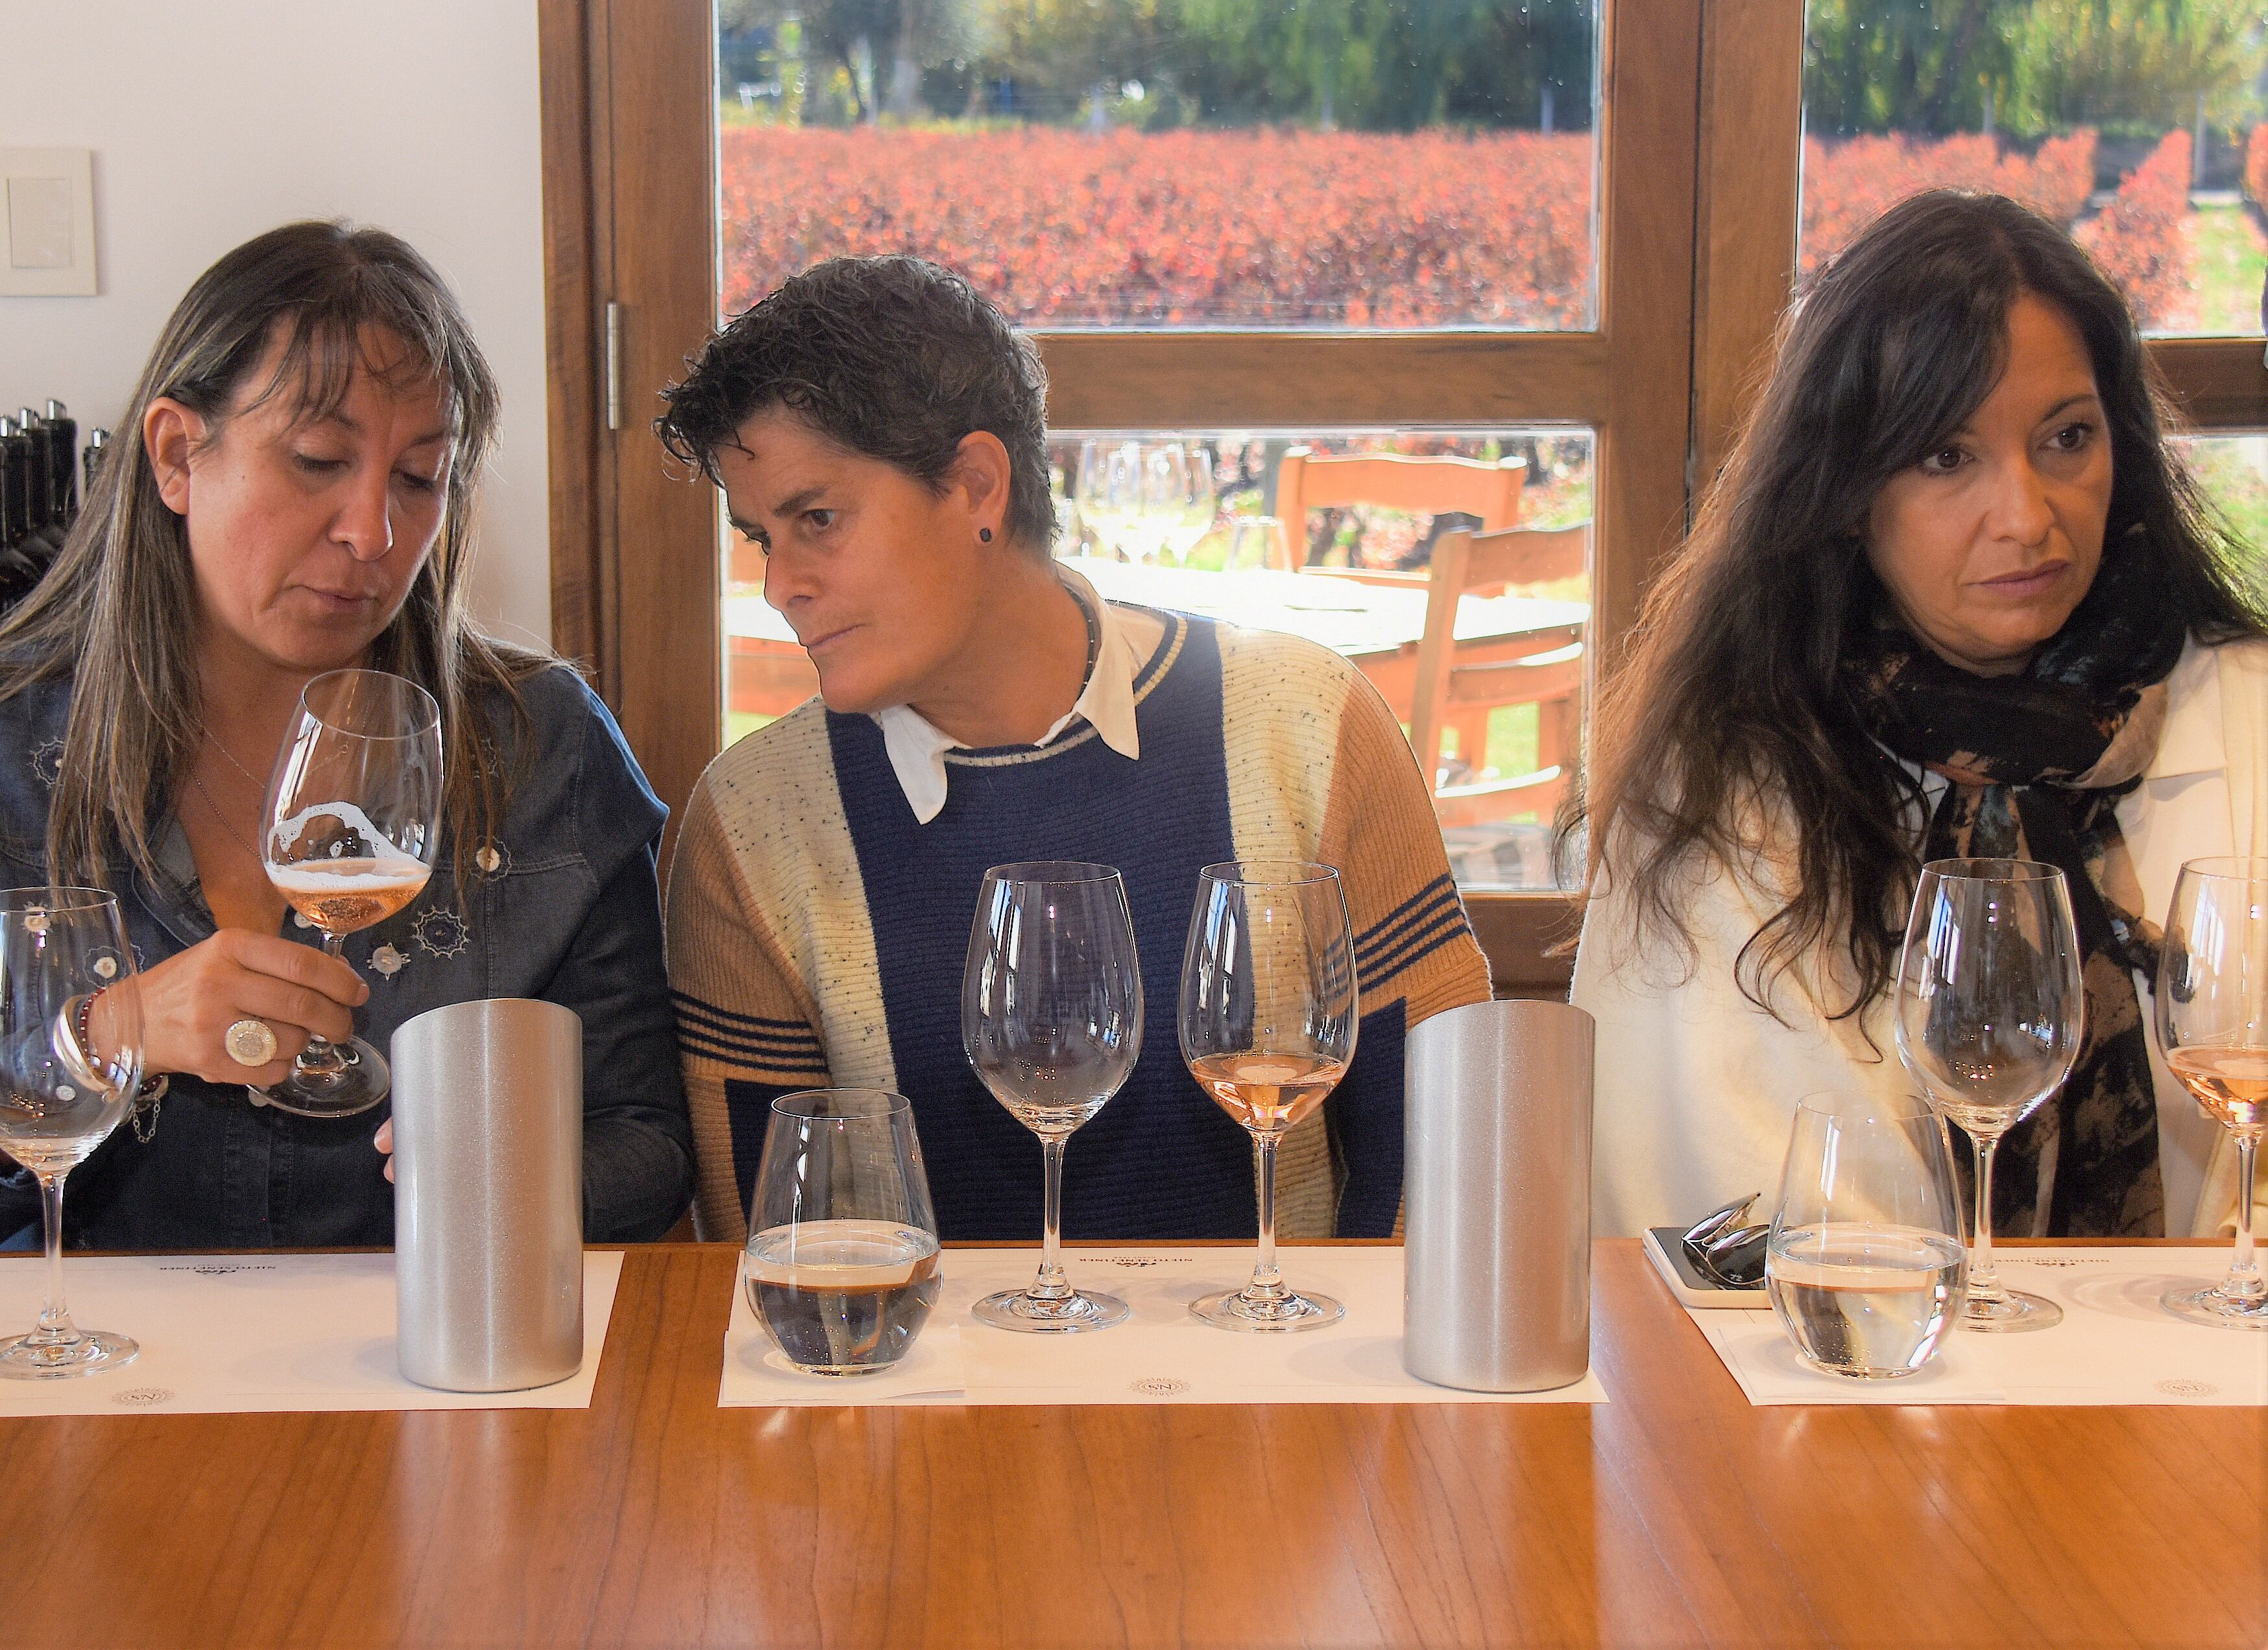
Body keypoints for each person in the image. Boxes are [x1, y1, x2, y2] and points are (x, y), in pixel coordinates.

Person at [0, 221, 692, 1250]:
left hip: (435, 1371)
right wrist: (109, 1039)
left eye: (420, 477)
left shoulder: (541, 746)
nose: (372, 533)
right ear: (175, 455)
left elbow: (646, 1145)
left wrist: (508, 1185)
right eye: (318, 459)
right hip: (97, 1388)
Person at [655, 255, 1490, 1243]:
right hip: (918, 1395)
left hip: (1282, 1383)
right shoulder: (751, 825)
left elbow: (1442, 1166)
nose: (779, 584)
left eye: (818, 521)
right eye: (761, 538)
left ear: (976, 486)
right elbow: (774, 1248)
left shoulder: (1309, 724)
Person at [1573, 191, 2267, 1241]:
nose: (2028, 517)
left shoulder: (2246, 712)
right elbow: (1753, 1218)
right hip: (1854, 1388)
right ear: (1848, 491)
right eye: (1948, 458)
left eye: (2068, 439)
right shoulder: (1725, 780)